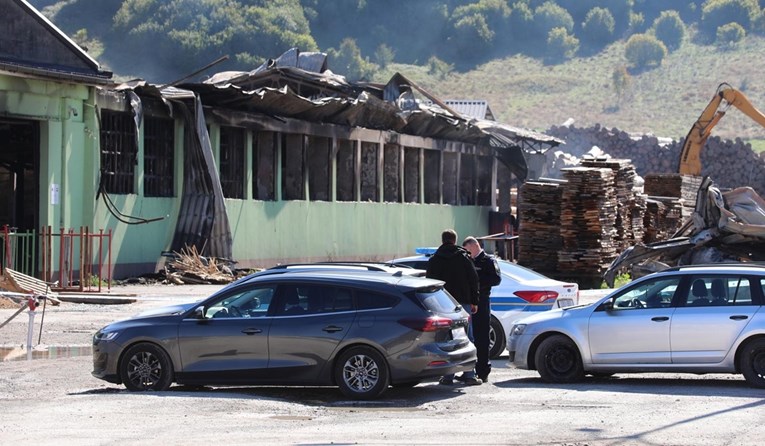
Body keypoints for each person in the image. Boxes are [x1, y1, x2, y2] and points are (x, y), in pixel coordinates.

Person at [426, 229, 481, 386]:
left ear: (443, 241)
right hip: (462, 305)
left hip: (442, 306)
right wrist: (474, 301)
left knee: (446, 339)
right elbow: (473, 280)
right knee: (467, 338)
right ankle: (470, 373)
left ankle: (448, 375)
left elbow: (429, 284)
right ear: (455, 241)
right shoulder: (464, 258)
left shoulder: (435, 259)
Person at [462, 236, 502, 383]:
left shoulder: (488, 261)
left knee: (482, 337)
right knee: (470, 337)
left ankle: (483, 371)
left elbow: (496, 279)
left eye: (467, 250)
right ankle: (469, 370)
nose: (467, 253)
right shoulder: (469, 260)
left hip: (482, 301)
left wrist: (476, 281)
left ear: (474, 246)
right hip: (470, 302)